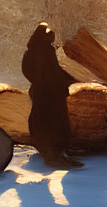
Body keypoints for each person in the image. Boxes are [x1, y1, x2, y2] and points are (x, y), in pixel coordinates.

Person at [21, 22, 82, 170]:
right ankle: (52, 156)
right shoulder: (34, 52)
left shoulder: (48, 50)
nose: (51, 39)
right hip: (44, 94)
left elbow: (56, 70)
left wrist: (68, 79)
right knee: (47, 122)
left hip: (54, 93)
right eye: (49, 36)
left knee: (57, 122)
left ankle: (59, 154)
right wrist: (39, 81)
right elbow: (27, 70)